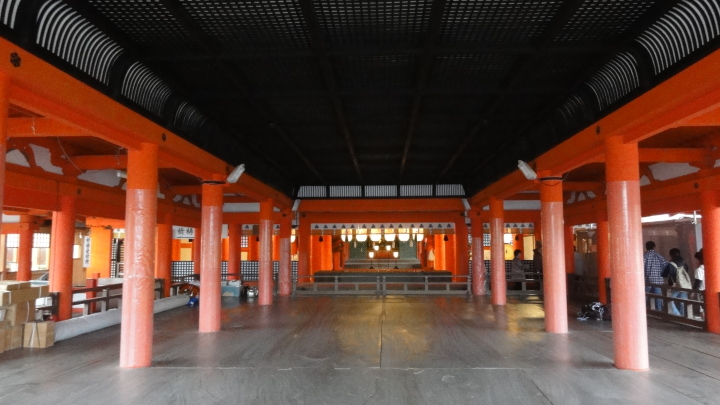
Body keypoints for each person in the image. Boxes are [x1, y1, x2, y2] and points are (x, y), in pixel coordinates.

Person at [661, 248, 690, 317]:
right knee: (683, 303)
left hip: (674, 286)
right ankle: (683, 318)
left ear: (671, 255)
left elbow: (664, 274)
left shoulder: (670, 264)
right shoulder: (684, 264)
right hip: (684, 286)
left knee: (668, 301)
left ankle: (677, 314)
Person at [643, 241, 666, 311]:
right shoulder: (659, 256)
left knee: (644, 296)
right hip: (658, 281)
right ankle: (659, 310)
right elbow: (665, 266)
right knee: (658, 297)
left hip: (648, 280)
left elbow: (641, 267)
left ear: (646, 247)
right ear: (654, 247)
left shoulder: (645, 256)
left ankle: (642, 310)